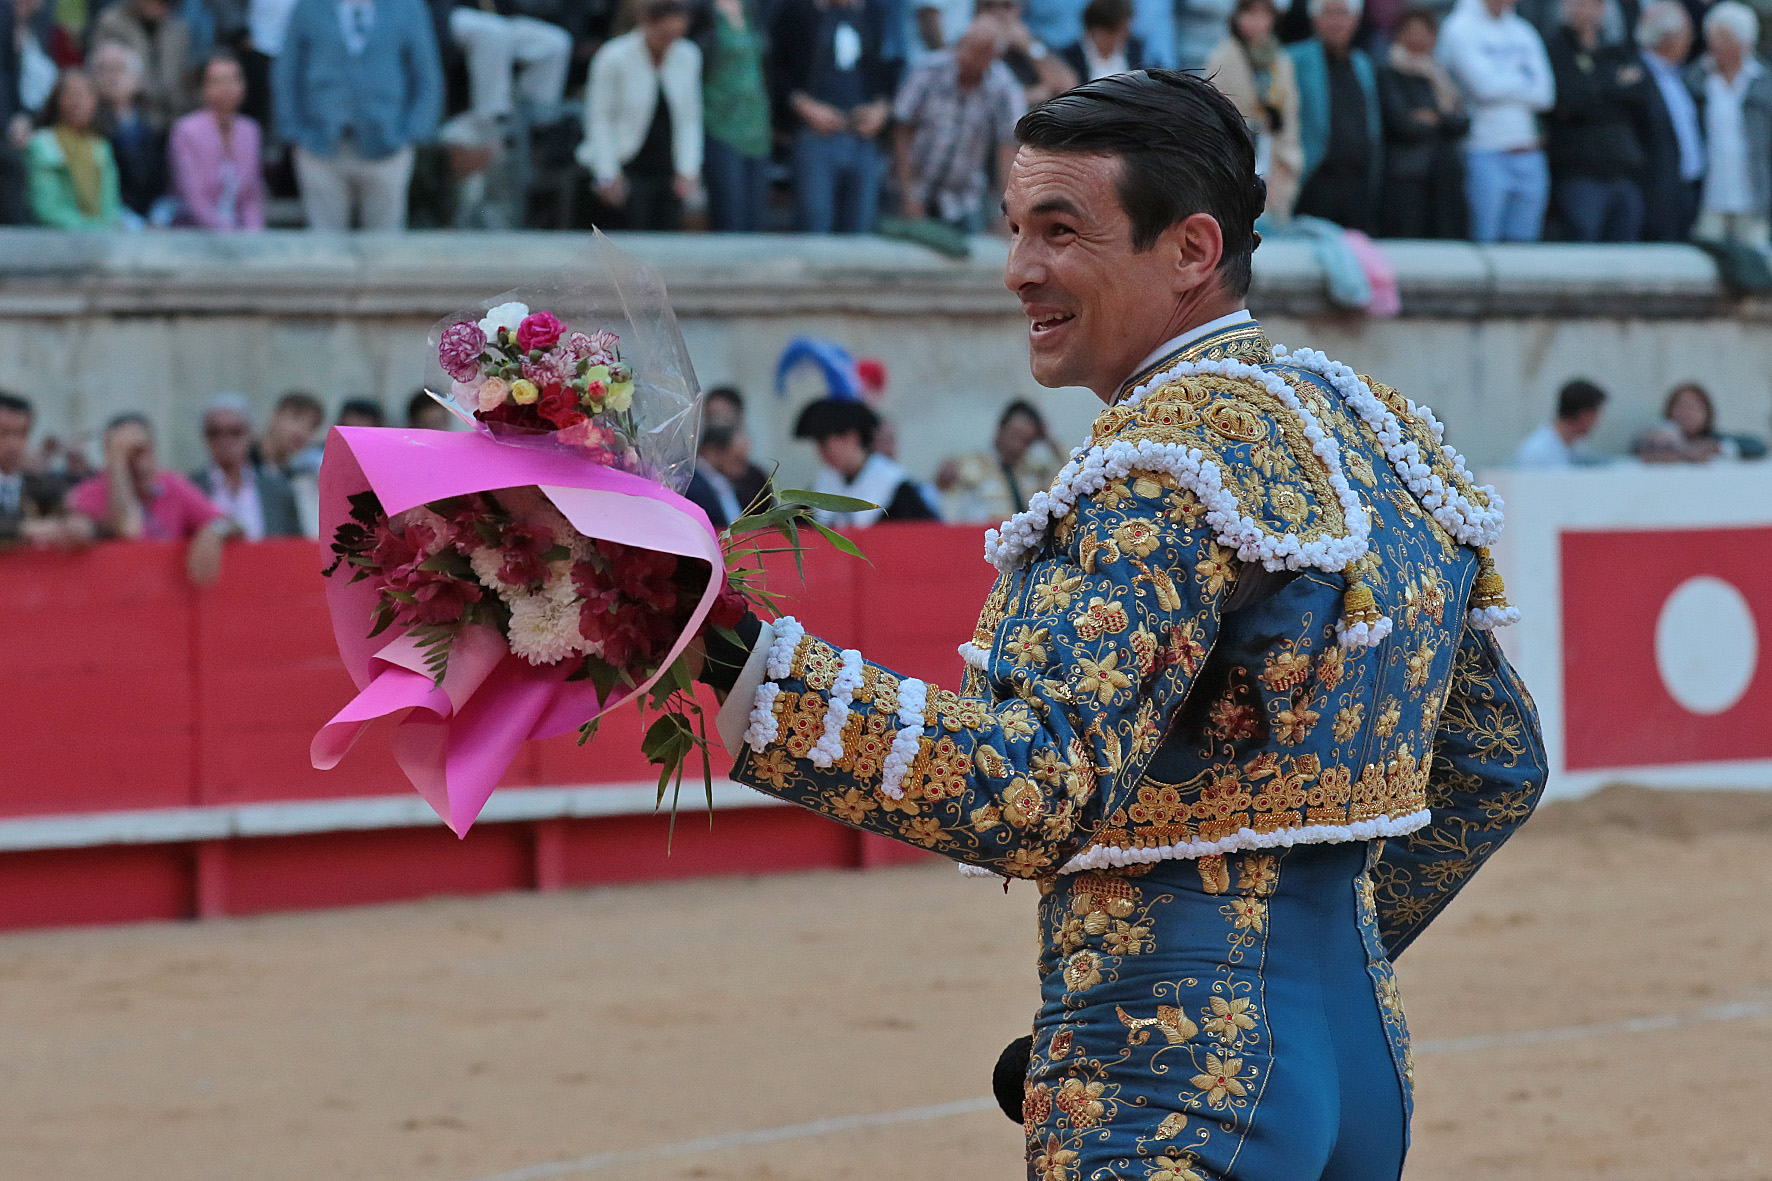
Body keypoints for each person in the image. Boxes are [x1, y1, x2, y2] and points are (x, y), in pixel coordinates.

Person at [696, 69, 1544, 1180]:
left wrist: (729, 651)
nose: (1018, 268)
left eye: (1060, 230)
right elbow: (1496, 762)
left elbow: (1031, 789)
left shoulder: (1160, 459)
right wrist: (1317, 972)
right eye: (1014, 227)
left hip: (1166, 1073)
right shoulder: (1375, 428)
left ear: (1190, 249)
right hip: (1355, 1062)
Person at [273, 0, 444, 231]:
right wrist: (295, 131)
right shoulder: (309, 7)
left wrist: (413, 131)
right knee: (324, 243)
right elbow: (287, 71)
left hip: (387, 143)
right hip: (320, 144)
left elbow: (427, 74)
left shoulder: (407, 7)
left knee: (385, 241)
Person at [770, 0, 892, 233]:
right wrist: (803, 105)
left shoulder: (873, 13)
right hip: (815, 137)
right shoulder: (797, 12)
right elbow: (774, 71)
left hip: (862, 137)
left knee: (860, 230)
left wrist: (882, 108)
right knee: (815, 227)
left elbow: (887, 70)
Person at [1439, 0, 1555, 242]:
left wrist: (1500, 80)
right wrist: (1522, 80)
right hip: (1483, 149)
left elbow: (1546, 95)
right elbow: (1484, 88)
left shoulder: (1523, 30)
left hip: (1528, 149)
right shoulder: (1459, 27)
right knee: (1485, 240)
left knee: (1525, 246)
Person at [580, 0, 701, 231]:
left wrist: (688, 169)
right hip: (627, 163)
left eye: (677, 35)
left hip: (667, 167)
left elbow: (689, 118)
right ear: (647, 24)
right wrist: (607, 172)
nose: (670, 42)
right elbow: (599, 118)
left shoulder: (688, 55)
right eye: (664, 35)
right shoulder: (613, 56)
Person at [68, 413, 230, 585]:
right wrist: (118, 466)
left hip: (167, 592)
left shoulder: (173, 485)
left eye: (142, 451)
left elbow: (230, 522)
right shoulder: (90, 493)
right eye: (127, 454)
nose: (138, 464)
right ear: (109, 456)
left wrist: (214, 531)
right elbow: (127, 529)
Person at [893, 20, 1024, 229]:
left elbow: (1008, 147)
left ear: (993, 57)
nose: (965, 55)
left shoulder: (1004, 86)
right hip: (913, 185)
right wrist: (909, 194)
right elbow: (901, 130)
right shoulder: (927, 70)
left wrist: (1006, 210)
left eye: (978, 52)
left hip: (963, 198)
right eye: (964, 46)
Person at [1544, 0, 1649, 241]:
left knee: (1627, 250)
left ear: (1601, 8)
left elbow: (1640, 93)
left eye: (1586, 4)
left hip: (1623, 170)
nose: (1578, 9)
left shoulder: (1616, 48)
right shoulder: (1554, 48)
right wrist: (1614, 84)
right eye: (1572, 3)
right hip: (1579, 173)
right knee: (1584, 246)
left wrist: (1595, 84)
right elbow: (1568, 99)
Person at [1288, 0, 1382, 232]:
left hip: (1358, 183)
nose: (1336, 22)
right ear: (1314, 18)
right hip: (1316, 179)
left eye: (1343, 13)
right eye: (1329, 13)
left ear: (1355, 20)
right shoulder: (1294, 59)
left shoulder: (1362, 63)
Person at [1205, 0, 1302, 225]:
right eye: (1250, 13)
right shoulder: (1221, 59)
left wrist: (1287, 168)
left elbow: (1291, 122)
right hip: (1236, 165)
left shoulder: (1281, 61)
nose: (1257, 22)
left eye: (1263, 14)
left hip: (1275, 167)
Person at [1377, 7, 1468, 238]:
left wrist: (1434, 117)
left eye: (1426, 31)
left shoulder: (1440, 75)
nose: (1419, 38)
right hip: (1408, 178)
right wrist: (1444, 118)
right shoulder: (1389, 73)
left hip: (1445, 177)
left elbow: (1463, 122)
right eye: (1413, 31)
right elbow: (1402, 124)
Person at [1688, 2, 1772, 248]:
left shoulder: (1764, 82)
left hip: (1754, 194)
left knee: (1755, 260)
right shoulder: (1697, 80)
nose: (1716, 45)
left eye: (1724, 38)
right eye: (1712, 37)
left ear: (1745, 41)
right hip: (1709, 196)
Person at [792, 397, 939, 524]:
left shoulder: (896, 488)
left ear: (851, 437)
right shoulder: (824, 484)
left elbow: (925, 534)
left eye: (825, 444)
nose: (821, 453)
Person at [170, 52, 265, 230]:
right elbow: (195, 199)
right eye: (218, 81)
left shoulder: (250, 130)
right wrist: (230, 234)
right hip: (196, 233)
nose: (226, 87)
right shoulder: (186, 131)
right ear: (203, 87)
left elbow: (252, 197)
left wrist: (254, 234)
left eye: (233, 79)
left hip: (243, 236)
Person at [699, 0, 772, 232]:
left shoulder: (754, 8)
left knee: (756, 219)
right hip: (720, 124)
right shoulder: (700, 10)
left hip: (757, 126)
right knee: (730, 217)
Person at [1635, 0, 1704, 242]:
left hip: (1686, 186)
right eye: (1687, 33)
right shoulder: (1636, 76)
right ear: (1667, 38)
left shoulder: (1678, 76)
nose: (1692, 39)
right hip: (1657, 194)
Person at [189, 394, 304, 539]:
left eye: (235, 432)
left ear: (250, 434)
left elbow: (297, 544)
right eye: (214, 433)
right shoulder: (189, 488)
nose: (225, 440)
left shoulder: (278, 490)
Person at [443, 0, 573, 127]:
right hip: (448, 14)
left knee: (555, 42)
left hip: (498, 16)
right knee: (494, 33)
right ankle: (489, 122)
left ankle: (537, 122)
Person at [933, 398, 1061, 521]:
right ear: (1001, 429)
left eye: (1025, 440)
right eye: (1014, 435)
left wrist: (1050, 441)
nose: (1016, 445)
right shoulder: (966, 466)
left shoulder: (1037, 471)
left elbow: (1066, 483)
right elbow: (946, 510)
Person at [27, 69, 124, 230]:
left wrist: (105, 229)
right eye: (71, 95)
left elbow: (111, 206)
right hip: (58, 237)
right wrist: (91, 230)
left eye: (84, 95)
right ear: (57, 100)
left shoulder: (101, 146)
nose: (78, 102)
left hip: (102, 236)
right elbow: (46, 208)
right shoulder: (42, 145)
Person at [90, 42, 170, 227]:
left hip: (152, 219)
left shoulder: (155, 123)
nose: (111, 76)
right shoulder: (89, 125)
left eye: (118, 69)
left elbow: (162, 180)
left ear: (136, 77)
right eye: (104, 69)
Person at [0, 391, 86, 548]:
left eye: (22, 433)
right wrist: (24, 529)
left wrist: (79, 526)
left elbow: (75, 512)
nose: (13, 444)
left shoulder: (40, 483)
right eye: (3, 432)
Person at [90, 0, 195, 129]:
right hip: (126, 116)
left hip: (172, 117)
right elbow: (101, 74)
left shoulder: (178, 29)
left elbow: (183, 81)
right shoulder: (111, 23)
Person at [978, 0, 1079, 106]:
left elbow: (1067, 86)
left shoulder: (1034, 41)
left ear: (1019, 10)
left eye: (1006, 6)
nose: (998, 12)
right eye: (989, 5)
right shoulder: (970, 45)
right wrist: (1031, 94)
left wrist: (1028, 46)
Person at [255, 389, 326, 537]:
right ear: (275, 416)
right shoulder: (242, 464)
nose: (302, 430)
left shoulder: (300, 476)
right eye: (296, 417)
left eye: (312, 426)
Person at [1633, 381, 1744, 462]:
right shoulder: (1661, 435)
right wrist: (1685, 452)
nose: (1688, 413)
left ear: (1706, 413)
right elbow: (1639, 451)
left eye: (1694, 408)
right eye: (1682, 407)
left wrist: (1717, 448)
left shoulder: (1713, 438)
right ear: (1670, 411)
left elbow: (1751, 446)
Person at [704, 385, 773, 511]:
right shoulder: (694, 477)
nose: (716, 424)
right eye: (711, 416)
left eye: (723, 417)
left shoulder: (756, 479)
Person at [1513, 377, 1605, 466]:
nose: (1597, 422)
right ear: (1585, 415)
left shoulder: (1569, 448)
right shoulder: (1537, 453)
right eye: (1596, 415)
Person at [1056, 0, 1144, 80]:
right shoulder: (1069, 58)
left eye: (1122, 32)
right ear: (1091, 30)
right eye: (1110, 33)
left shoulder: (1134, 48)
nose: (1116, 39)